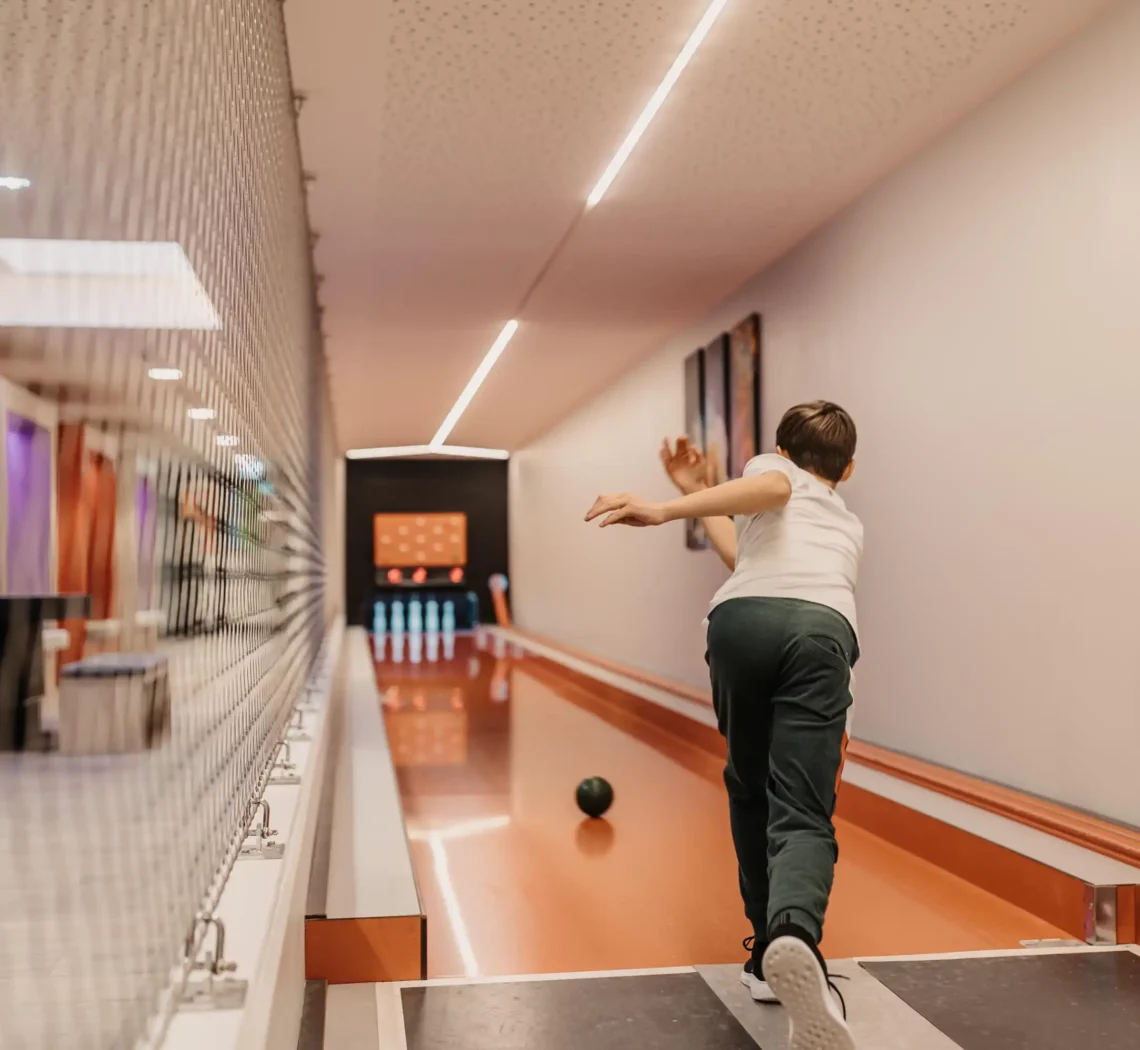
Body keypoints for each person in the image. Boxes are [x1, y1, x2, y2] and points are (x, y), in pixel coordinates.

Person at [587, 402, 862, 1050]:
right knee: (802, 808)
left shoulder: (775, 471)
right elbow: (763, 525)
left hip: (742, 624)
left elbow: (752, 535)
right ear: (848, 469)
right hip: (821, 631)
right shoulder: (845, 523)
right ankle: (794, 937)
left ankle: (766, 953)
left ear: (785, 452)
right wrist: (687, 495)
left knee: (748, 786)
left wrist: (668, 505)